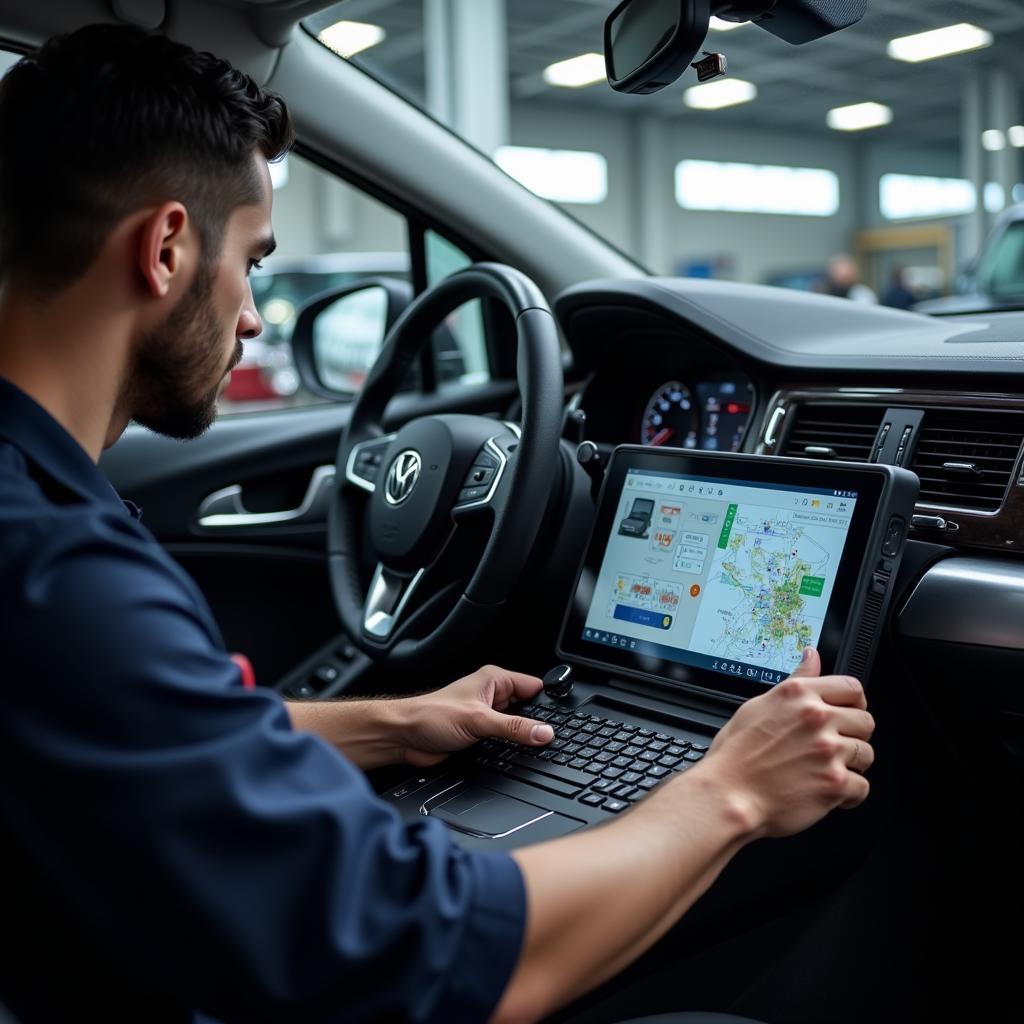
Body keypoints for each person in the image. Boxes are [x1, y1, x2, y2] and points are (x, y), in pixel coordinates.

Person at [0, 24, 876, 1024]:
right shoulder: (59, 573)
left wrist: (392, 721)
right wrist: (730, 792)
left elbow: (141, 739)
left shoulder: (39, 513)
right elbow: (426, 946)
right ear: (165, 249)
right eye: (252, 260)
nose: (250, 315)